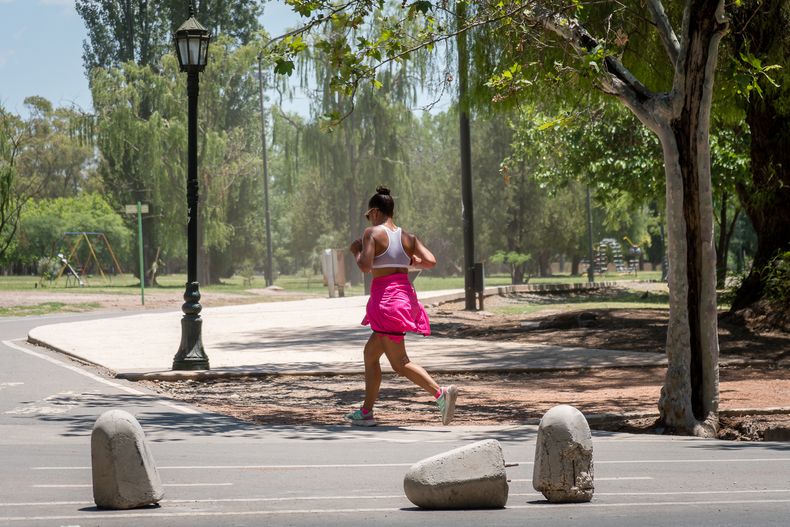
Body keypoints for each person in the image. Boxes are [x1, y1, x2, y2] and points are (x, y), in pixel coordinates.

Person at [346, 186, 457, 427]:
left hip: (387, 303)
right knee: (370, 354)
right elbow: (431, 261)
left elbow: (365, 266)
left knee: (400, 363)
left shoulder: (372, 233)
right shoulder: (408, 237)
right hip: (405, 299)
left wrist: (356, 250)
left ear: (375, 212)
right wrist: (410, 259)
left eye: (369, 215)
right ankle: (366, 412)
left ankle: (440, 393)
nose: (369, 219)